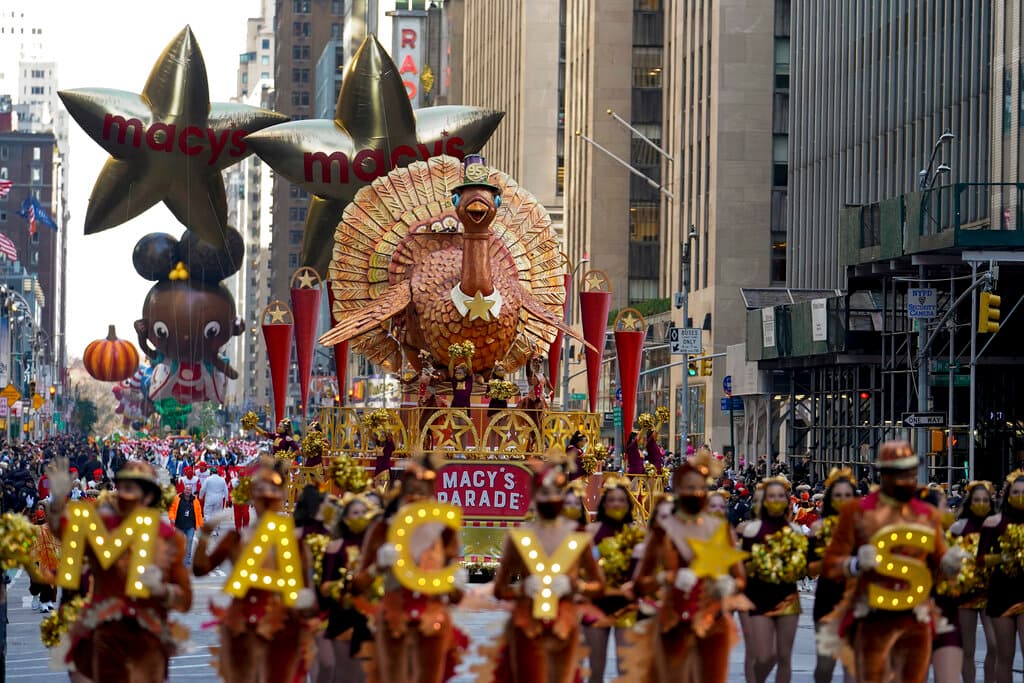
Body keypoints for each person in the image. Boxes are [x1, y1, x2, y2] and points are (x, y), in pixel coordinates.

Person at [821, 441, 964, 683]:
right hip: (873, 616)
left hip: (915, 618)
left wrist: (950, 562)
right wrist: (854, 564)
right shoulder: (857, 511)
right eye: (899, 472)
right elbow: (831, 564)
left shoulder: (927, 515)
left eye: (910, 472)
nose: (907, 478)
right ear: (884, 474)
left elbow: (939, 559)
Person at [47, 459, 192, 682]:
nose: (122, 495)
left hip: (148, 641)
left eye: (130, 489)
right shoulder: (101, 525)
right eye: (121, 488)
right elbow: (64, 533)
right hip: (107, 638)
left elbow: (185, 600)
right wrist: (57, 500)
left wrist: (162, 591)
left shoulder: (169, 537)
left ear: (148, 497)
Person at [192, 456, 316, 682]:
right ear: (252, 498)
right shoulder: (235, 539)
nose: (266, 499)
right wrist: (205, 534)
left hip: (282, 626)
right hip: (243, 625)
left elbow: (306, 591)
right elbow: (200, 570)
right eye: (260, 493)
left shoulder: (293, 539)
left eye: (272, 492)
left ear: (280, 496)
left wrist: (306, 606)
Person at [352, 452, 467, 683]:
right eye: (411, 490)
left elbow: (455, 597)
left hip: (433, 620)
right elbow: (357, 586)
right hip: (394, 619)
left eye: (423, 491)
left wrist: (456, 581)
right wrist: (377, 568)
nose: (416, 497)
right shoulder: (383, 529)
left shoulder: (444, 531)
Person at [634, 453, 746, 682]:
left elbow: (740, 579)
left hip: (712, 623)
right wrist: (666, 578)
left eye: (699, 487)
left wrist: (729, 585)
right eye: (688, 487)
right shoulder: (663, 530)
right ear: (677, 490)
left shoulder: (720, 528)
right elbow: (640, 583)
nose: (694, 492)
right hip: (673, 621)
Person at [492, 458, 604, 683]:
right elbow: (500, 589)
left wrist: (575, 586)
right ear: (534, 496)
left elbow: (599, 585)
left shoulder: (577, 534)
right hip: (527, 625)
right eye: (544, 493)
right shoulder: (520, 536)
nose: (550, 499)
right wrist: (521, 588)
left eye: (555, 493)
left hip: (565, 625)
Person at [740, 476, 802, 683]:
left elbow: (802, 566)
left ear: (787, 500)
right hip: (759, 597)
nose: (776, 500)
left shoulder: (795, 531)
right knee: (765, 655)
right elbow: (743, 565)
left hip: (787, 597)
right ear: (764, 500)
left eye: (780, 496)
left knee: (784, 657)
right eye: (771, 496)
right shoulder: (752, 530)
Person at [582, 478, 640, 683]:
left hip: (627, 604)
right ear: (604, 504)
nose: (616, 504)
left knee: (626, 669)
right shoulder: (591, 532)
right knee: (595, 668)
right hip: (596, 603)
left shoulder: (637, 533)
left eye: (621, 500)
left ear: (628, 504)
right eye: (612, 500)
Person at [316, 494, 374, 683]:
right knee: (344, 674)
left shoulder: (374, 548)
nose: (360, 516)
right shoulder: (334, 546)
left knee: (364, 674)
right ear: (346, 518)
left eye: (363, 512)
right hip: (342, 617)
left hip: (368, 618)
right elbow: (324, 586)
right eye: (355, 512)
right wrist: (343, 585)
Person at [808, 468, 857, 683]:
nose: (843, 500)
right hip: (828, 599)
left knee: (852, 665)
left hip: (856, 599)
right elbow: (808, 568)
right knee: (825, 665)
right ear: (830, 499)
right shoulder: (818, 528)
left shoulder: (863, 527)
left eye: (848, 495)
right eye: (838, 495)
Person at [978, 470, 1024, 683]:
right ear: (1008, 495)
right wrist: (1002, 557)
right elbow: (980, 560)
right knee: (1004, 656)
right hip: (1001, 593)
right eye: (1016, 492)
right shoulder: (993, 523)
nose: (1019, 497)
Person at [950, 480, 996, 683]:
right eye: (977, 500)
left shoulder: (997, 525)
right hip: (965, 592)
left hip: (992, 592)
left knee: (995, 645)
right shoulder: (958, 527)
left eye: (985, 500)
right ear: (969, 502)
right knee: (967, 649)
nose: (981, 503)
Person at [169, 484, 204, 566]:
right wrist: (172, 518)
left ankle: (187, 559)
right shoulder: (177, 498)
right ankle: (177, 557)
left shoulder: (195, 500)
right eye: (186, 489)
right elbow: (172, 509)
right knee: (178, 543)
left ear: (191, 491)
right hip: (179, 525)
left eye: (189, 490)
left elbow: (199, 514)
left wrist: (201, 525)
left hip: (190, 526)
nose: (188, 491)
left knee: (190, 540)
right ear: (184, 490)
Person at [200, 466, 230, 531]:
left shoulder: (208, 479)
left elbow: (203, 489)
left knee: (207, 513)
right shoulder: (222, 479)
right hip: (219, 499)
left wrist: (200, 497)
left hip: (209, 498)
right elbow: (226, 490)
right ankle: (216, 528)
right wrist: (227, 499)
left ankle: (210, 528)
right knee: (217, 513)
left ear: (211, 472)